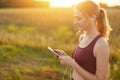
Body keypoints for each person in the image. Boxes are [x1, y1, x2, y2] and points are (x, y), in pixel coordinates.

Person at [54, 1, 112, 80]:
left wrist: (72, 63)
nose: (75, 22)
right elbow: (83, 63)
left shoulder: (101, 44)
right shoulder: (82, 37)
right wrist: (66, 57)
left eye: (79, 18)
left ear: (92, 17)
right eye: (75, 18)